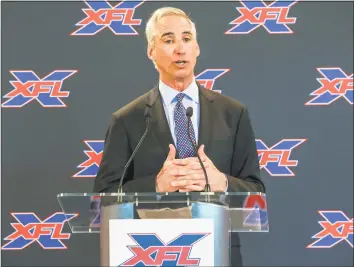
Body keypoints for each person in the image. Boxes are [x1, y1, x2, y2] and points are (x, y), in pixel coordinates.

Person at [93, 7, 265, 266]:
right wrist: (156, 186)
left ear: (196, 48)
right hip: (149, 253)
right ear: (151, 51)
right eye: (168, 40)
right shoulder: (127, 119)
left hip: (217, 251)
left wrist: (221, 182)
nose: (180, 48)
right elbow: (102, 200)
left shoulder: (233, 113)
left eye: (187, 39)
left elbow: (257, 196)